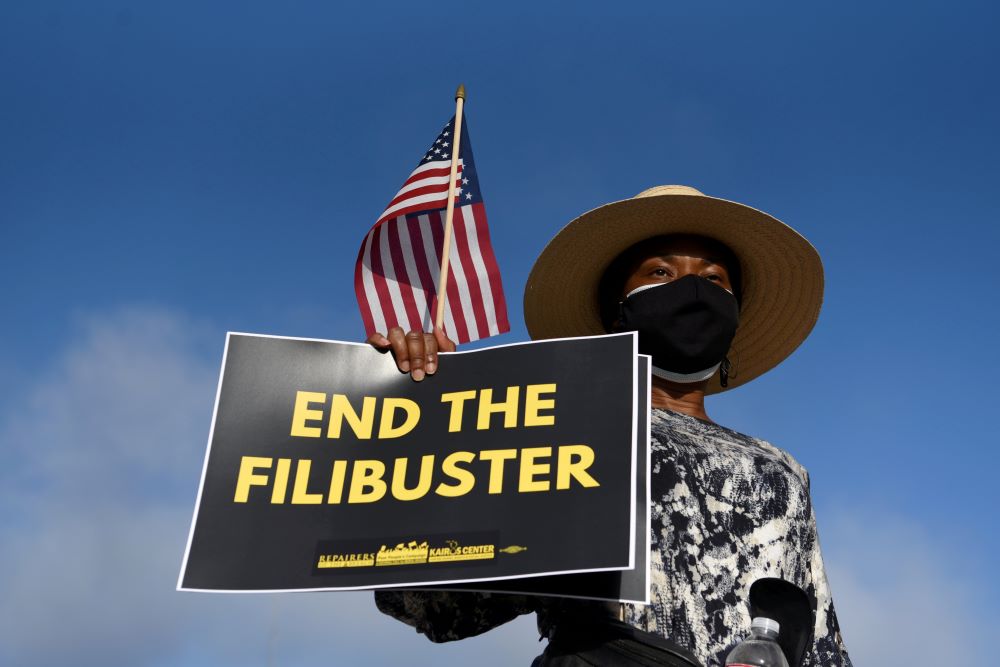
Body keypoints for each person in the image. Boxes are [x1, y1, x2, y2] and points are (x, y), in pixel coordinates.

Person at [368, 185, 852, 667]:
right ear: (617, 310)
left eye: (714, 278)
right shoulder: (564, 434)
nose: (693, 289)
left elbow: (820, 649)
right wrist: (429, 421)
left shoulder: (780, 472)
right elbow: (437, 605)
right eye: (661, 272)